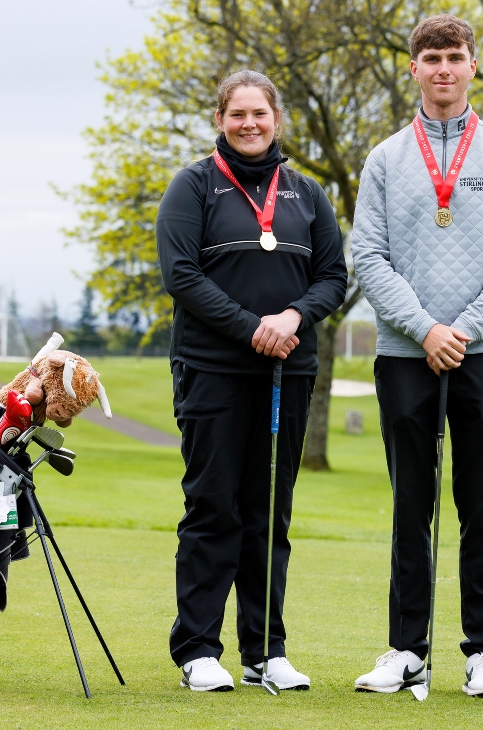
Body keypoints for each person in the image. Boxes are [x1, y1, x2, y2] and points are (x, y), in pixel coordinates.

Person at [350, 15, 483, 697]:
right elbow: (366, 256)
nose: (443, 69)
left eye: (454, 57)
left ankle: (482, 649)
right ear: (414, 69)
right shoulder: (384, 160)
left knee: (479, 505)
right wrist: (426, 329)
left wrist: (461, 329)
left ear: (472, 66)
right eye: (431, 58)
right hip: (405, 353)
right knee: (411, 505)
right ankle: (406, 649)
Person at [156, 70, 348, 692]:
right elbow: (182, 276)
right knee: (213, 505)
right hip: (212, 371)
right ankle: (198, 649)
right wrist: (251, 328)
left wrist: (292, 317)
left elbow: (333, 277)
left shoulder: (307, 193)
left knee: (270, 511)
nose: (249, 124)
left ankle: (266, 651)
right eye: (237, 114)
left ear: (276, 119)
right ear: (220, 120)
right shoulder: (194, 186)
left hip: (286, 374)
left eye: (259, 114)